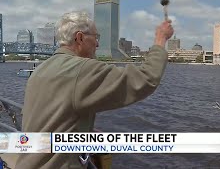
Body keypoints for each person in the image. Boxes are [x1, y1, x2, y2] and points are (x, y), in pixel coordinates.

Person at [15, 11, 174, 169]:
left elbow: (56, 116)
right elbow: (145, 79)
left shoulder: (40, 70)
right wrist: (160, 40)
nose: (97, 44)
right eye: (96, 38)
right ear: (80, 38)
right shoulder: (81, 69)